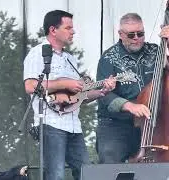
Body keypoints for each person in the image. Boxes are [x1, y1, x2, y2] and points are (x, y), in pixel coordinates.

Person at [23, 10, 115, 180]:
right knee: (55, 176)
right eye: (68, 28)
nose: (73, 31)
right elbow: (30, 86)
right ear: (53, 30)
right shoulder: (37, 53)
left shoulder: (70, 59)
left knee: (86, 174)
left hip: (74, 126)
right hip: (51, 125)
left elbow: (79, 97)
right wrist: (64, 83)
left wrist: (103, 91)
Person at [96, 13, 169, 163]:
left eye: (140, 33)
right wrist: (129, 105)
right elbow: (103, 95)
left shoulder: (156, 51)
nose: (137, 38)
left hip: (152, 123)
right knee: (110, 159)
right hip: (117, 124)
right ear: (121, 34)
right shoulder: (109, 58)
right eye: (131, 35)